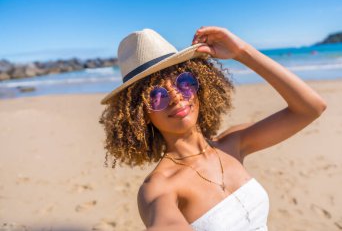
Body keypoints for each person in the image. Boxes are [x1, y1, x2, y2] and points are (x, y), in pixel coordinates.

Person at [99, 26, 327, 231]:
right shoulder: (159, 188)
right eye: (157, 95)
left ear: (199, 85)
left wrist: (242, 52)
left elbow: (310, 108)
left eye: (183, 82)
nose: (176, 97)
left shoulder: (233, 143)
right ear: (141, 114)